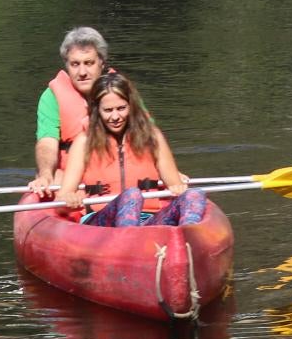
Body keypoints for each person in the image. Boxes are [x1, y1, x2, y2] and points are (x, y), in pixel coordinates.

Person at [56, 72, 209, 228]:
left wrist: (178, 188)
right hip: (101, 222)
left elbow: (175, 185)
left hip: (147, 221)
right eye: (108, 110)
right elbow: (62, 198)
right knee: (131, 195)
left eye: (121, 108)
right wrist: (69, 199)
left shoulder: (152, 137)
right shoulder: (84, 142)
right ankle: (129, 242)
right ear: (97, 110)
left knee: (195, 194)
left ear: (131, 106)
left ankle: (189, 240)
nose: (115, 117)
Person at [28, 26, 108, 194]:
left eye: (89, 63)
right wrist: (45, 175)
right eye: (75, 64)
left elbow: (146, 133)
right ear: (67, 65)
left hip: (111, 174)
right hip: (71, 178)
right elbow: (47, 141)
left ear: (102, 63)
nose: (82, 72)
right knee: (57, 178)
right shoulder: (52, 97)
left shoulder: (120, 92)